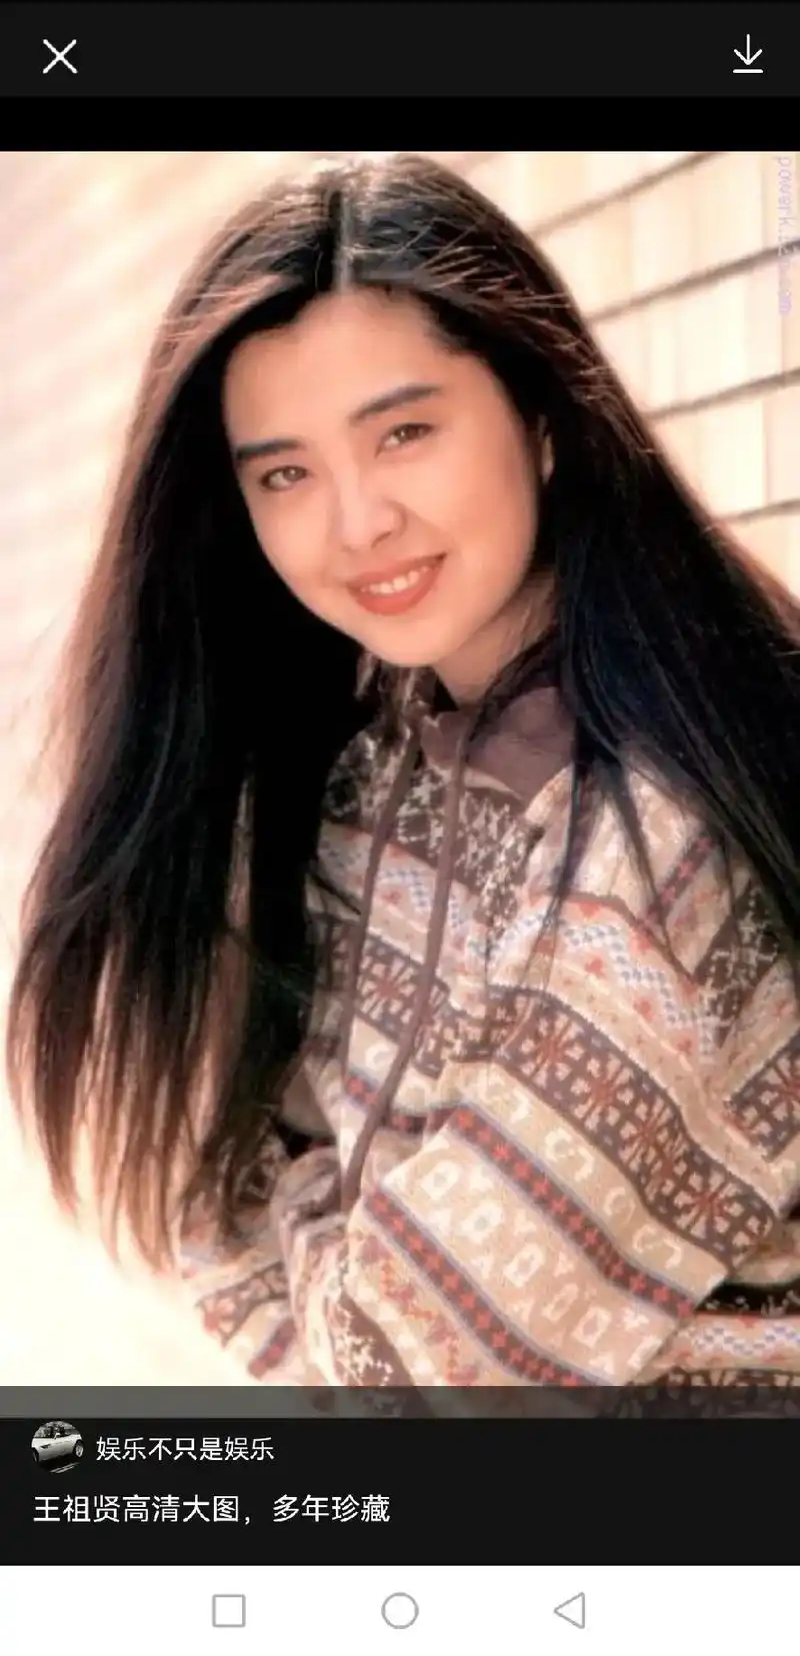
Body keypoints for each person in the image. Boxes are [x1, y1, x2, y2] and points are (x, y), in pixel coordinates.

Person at [7, 151, 800, 1393]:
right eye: (285, 473)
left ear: (542, 420)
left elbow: (417, 1372)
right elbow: (197, 1200)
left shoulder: (649, 846)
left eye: (405, 433)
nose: (356, 522)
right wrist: (349, 1248)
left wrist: (319, 1228)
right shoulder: (371, 765)